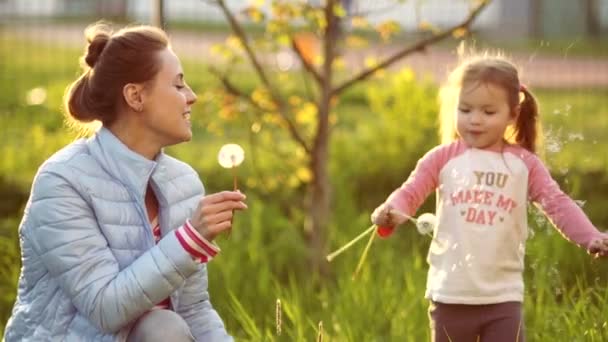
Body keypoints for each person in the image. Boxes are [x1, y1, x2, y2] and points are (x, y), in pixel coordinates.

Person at [3, 21, 247, 342]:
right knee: (163, 328)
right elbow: (106, 308)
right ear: (135, 96)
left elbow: (193, 310)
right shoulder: (62, 181)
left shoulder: (183, 183)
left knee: (170, 324)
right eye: (177, 85)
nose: (192, 97)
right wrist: (189, 239)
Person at [371, 53, 608, 342]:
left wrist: (590, 236)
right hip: (450, 295)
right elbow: (410, 192)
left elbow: (557, 203)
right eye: (465, 109)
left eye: (488, 111)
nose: (475, 120)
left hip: (502, 299)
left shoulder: (524, 164)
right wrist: (390, 211)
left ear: (512, 114)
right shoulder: (442, 159)